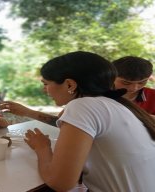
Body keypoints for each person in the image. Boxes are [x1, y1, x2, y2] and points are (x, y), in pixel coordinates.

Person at [23, 51, 155, 191]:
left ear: (69, 85)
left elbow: (60, 183)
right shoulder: (117, 104)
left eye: (46, 84)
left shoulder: (82, 106)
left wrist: (42, 147)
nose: (45, 90)